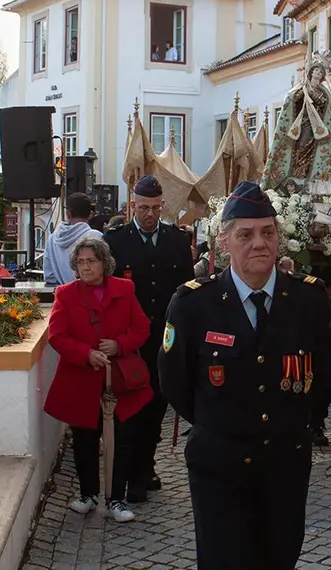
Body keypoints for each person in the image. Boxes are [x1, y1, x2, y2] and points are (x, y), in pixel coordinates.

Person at [159, 181, 331, 570]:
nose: (259, 243)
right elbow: (174, 380)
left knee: (279, 557)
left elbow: (323, 377)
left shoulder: (309, 300)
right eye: (246, 234)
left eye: (268, 232)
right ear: (224, 241)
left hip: (285, 461)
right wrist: (221, 423)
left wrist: (294, 423)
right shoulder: (193, 304)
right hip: (219, 462)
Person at [43, 236, 153, 523]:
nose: (85, 267)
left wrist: (119, 344)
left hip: (119, 380)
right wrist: (86, 353)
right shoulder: (65, 294)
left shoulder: (125, 289)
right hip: (81, 379)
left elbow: (142, 328)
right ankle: (88, 494)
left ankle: (117, 498)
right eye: (80, 262)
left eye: (91, 261)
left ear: (104, 263)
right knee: (84, 440)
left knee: (122, 440)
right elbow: (56, 335)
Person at [102, 175, 195, 502]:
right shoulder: (114, 242)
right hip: (129, 341)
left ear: (162, 206)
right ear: (132, 206)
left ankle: (147, 464)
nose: (150, 214)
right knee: (132, 410)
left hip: (165, 339)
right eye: (143, 208)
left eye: (155, 208)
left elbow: (186, 292)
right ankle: (133, 475)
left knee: (157, 405)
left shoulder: (178, 241)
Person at [262, 57, 331, 196]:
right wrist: (302, 93)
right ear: (311, 72)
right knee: (300, 147)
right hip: (303, 124)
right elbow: (292, 99)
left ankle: (309, 177)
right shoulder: (302, 88)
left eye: (320, 71)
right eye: (316, 70)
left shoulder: (324, 92)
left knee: (314, 151)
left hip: (318, 128)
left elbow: (327, 106)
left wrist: (314, 96)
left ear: (322, 76)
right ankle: (298, 173)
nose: (317, 73)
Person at [44, 193, 103, 285]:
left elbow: (49, 276)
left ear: (68, 214)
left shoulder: (52, 239)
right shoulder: (96, 237)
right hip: (91, 295)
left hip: (65, 294)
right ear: (91, 214)